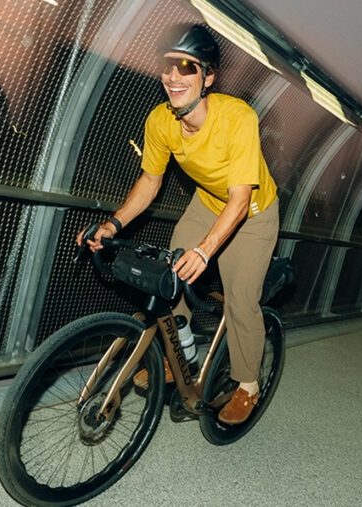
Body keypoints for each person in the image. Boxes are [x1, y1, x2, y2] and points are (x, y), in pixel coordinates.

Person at [76, 24, 279, 425]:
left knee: (240, 300)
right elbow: (150, 182)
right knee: (169, 277)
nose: (173, 77)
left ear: (208, 77)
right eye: (168, 67)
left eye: (187, 67)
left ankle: (248, 385)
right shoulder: (160, 121)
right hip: (206, 203)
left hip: (253, 213)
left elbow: (239, 199)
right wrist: (113, 225)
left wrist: (206, 250)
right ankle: (181, 353)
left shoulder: (237, 117)